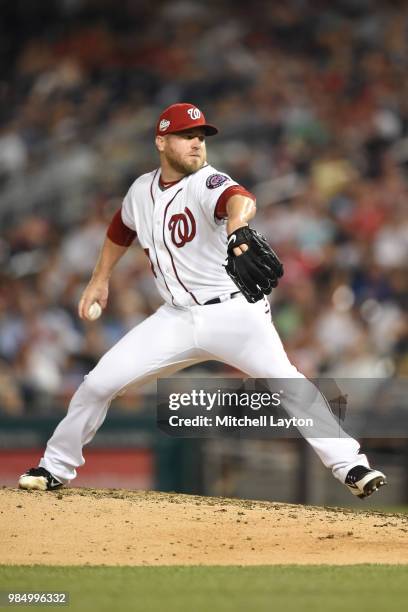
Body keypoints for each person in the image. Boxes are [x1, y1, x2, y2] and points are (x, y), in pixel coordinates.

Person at [19, 103, 386, 499]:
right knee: (97, 384)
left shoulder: (205, 182)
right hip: (175, 317)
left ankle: (351, 465)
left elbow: (238, 197)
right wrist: (99, 278)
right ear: (162, 141)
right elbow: (121, 227)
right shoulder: (141, 191)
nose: (197, 143)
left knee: (288, 384)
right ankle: (54, 468)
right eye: (186, 136)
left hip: (234, 314)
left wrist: (238, 224)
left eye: (201, 137)